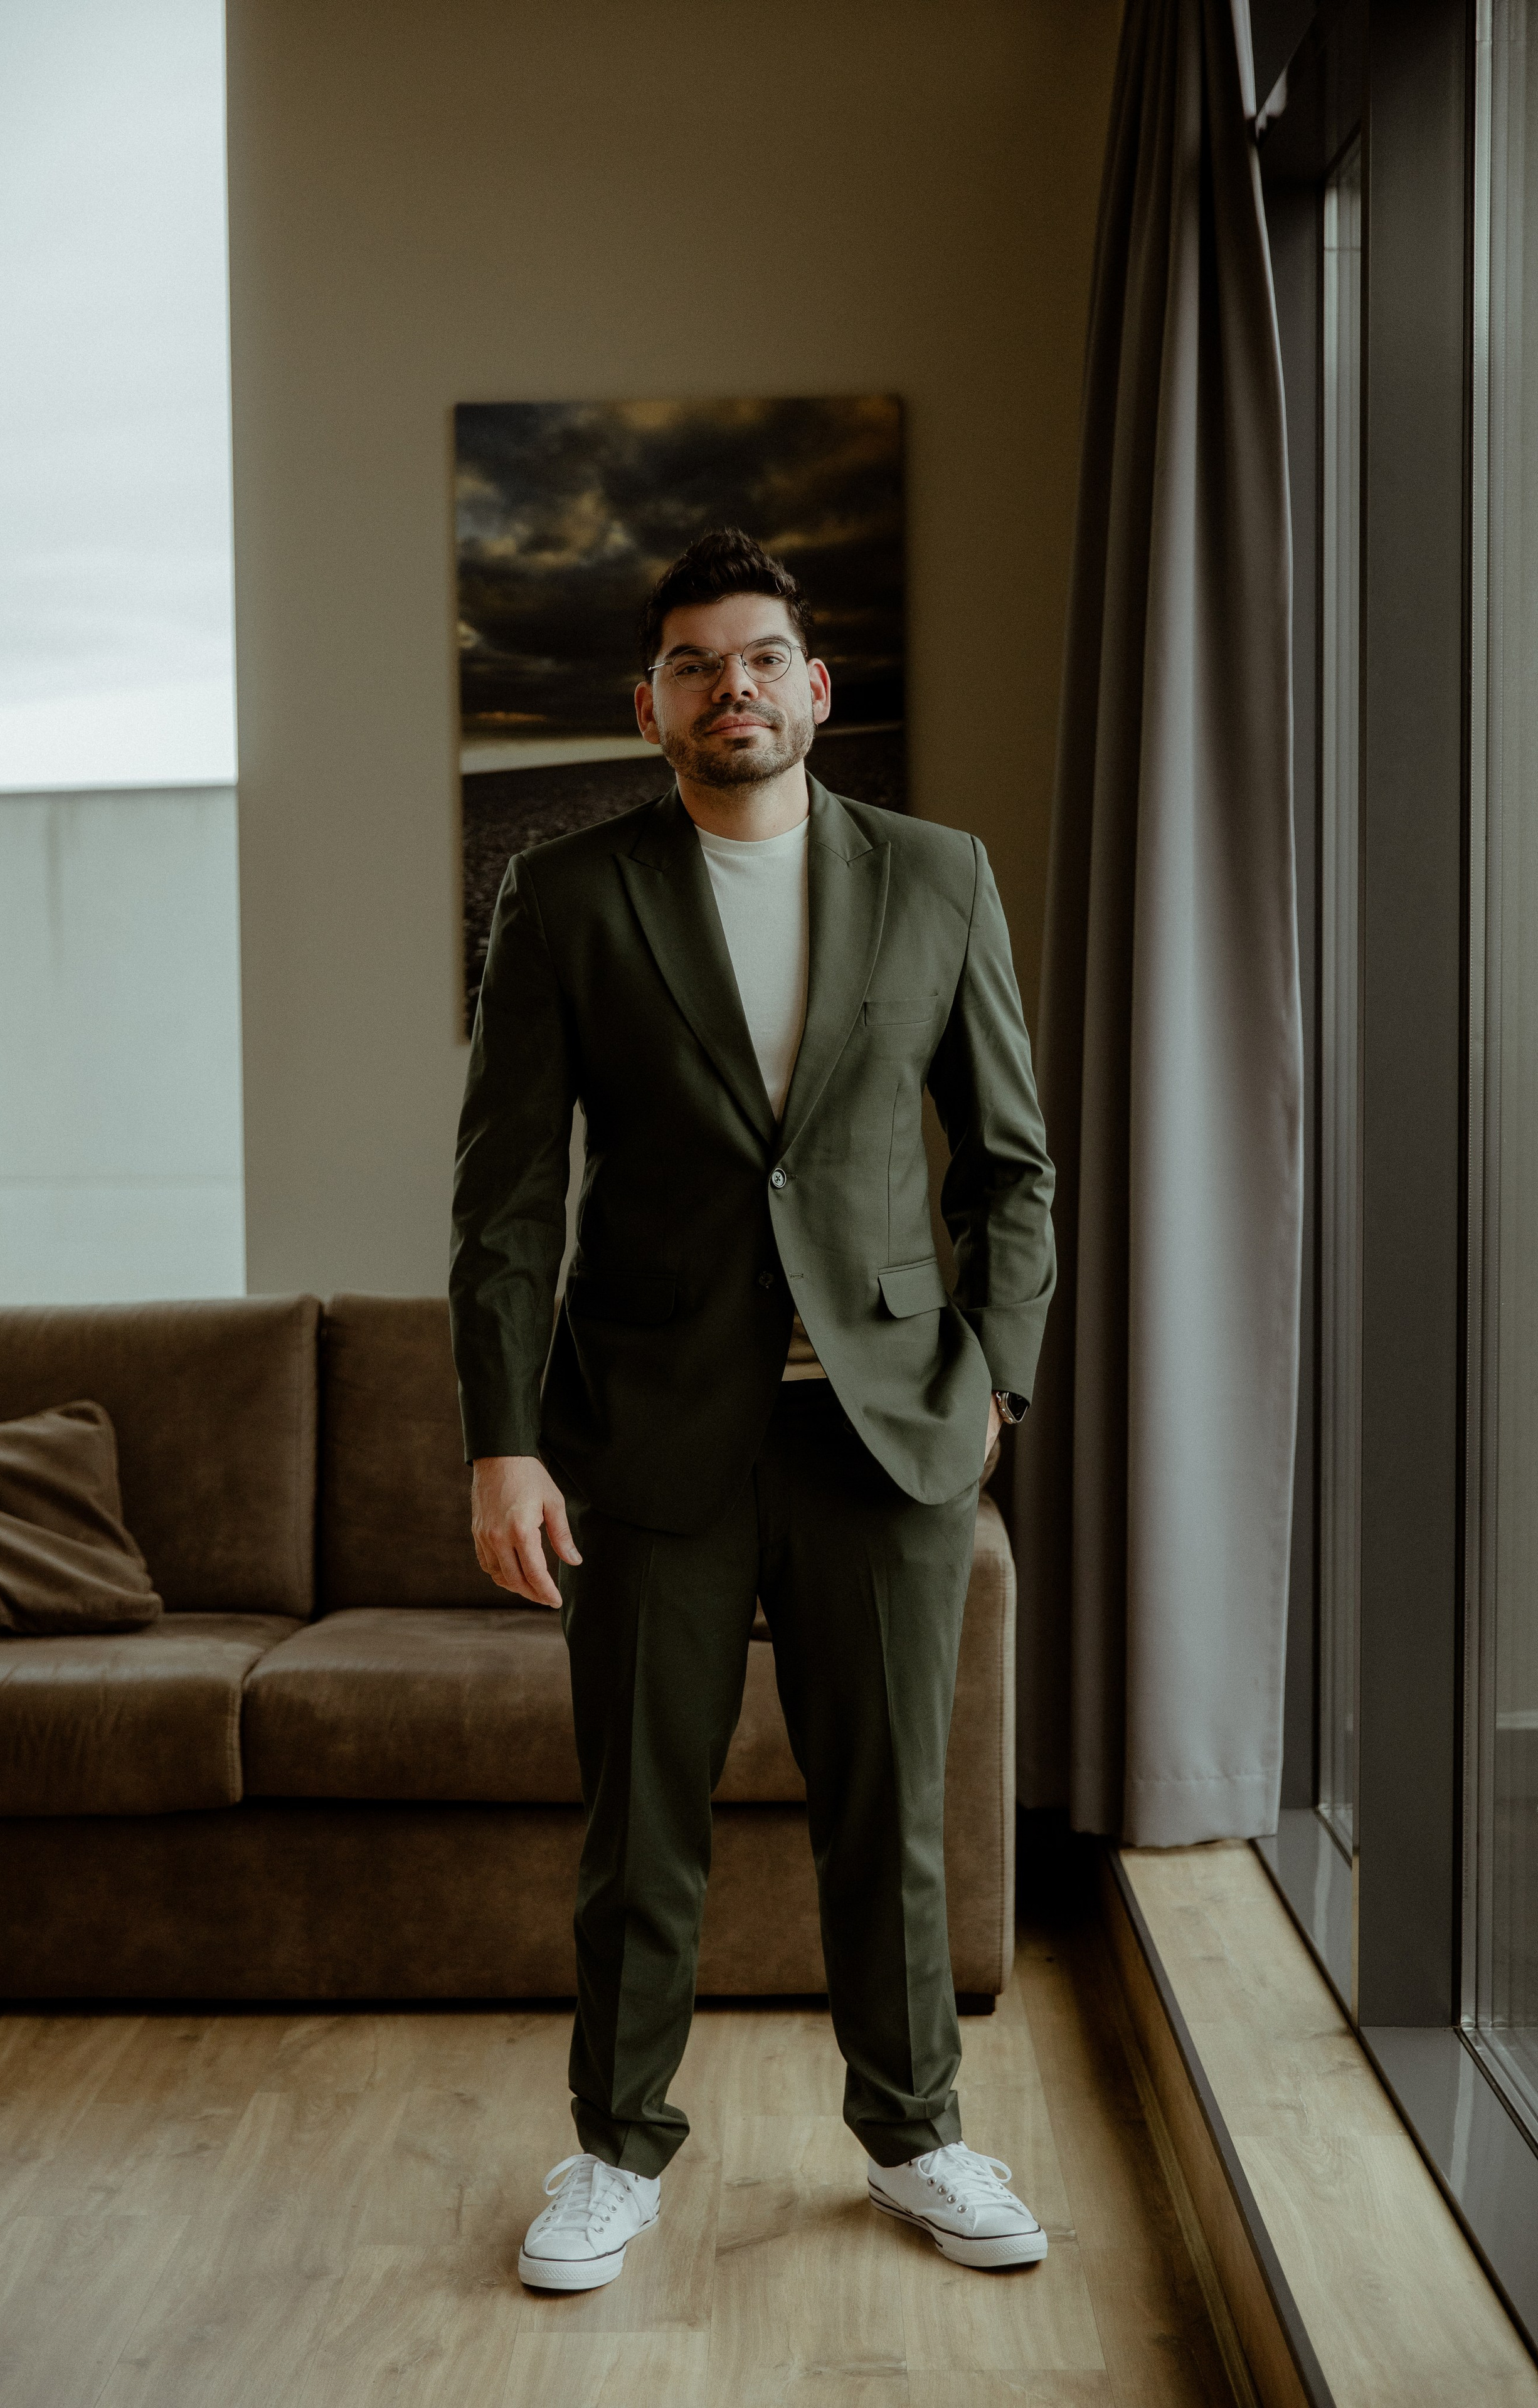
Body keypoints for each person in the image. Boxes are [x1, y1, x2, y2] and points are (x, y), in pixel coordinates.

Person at [448, 527, 1056, 2293]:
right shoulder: (565, 898)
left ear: (818, 687)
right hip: (647, 1436)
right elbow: (505, 1202)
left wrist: (994, 1382)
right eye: (700, 664)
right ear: (653, 707)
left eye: (766, 656)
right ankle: (614, 2153)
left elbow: (1012, 1167)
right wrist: (504, 1435)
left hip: (886, 1433)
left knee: (895, 1808)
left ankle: (921, 2135)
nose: (738, 687)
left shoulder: (941, 877)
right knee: (641, 1818)